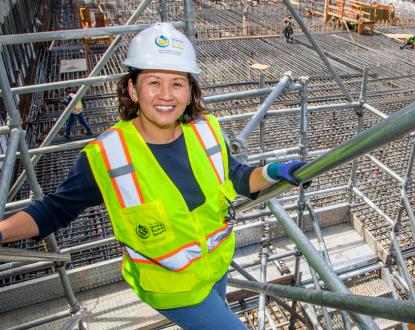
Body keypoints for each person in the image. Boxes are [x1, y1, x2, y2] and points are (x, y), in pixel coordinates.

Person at [0, 22, 309, 329]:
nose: (166, 95)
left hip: (215, 266)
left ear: (190, 91)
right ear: (132, 89)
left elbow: (238, 178)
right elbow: (54, 210)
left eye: (177, 83)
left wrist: (275, 171)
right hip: (171, 288)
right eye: (153, 83)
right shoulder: (107, 155)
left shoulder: (206, 130)